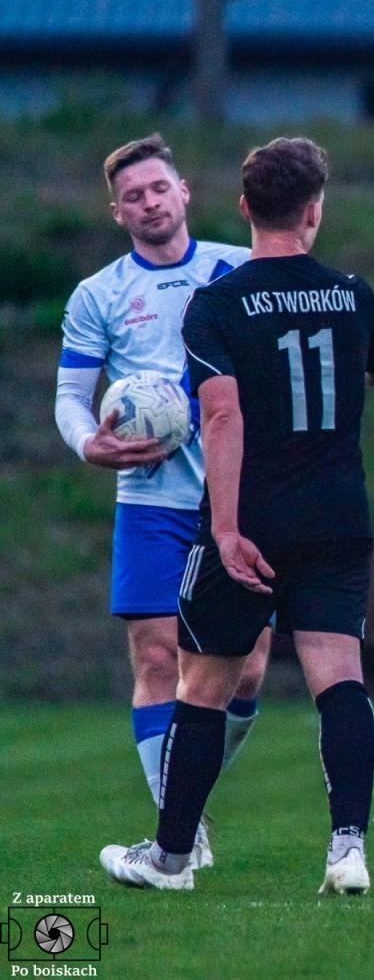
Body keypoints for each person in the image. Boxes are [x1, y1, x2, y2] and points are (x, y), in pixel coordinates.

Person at [100, 137, 374, 893]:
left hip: (255, 518)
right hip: (338, 513)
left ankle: (169, 859)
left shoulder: (219, 302)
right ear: (314, 210)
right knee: (340, 676)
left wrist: (227, 529)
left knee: (202, 683)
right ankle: (347, 848)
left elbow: (223, 415)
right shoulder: (353, 292)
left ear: (243, 208)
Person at [56, 134, 271, 871]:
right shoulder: (99, 294)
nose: (149, 202)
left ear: (184, 193)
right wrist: (91, 443)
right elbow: (69, 397)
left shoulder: (237, 269)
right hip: (149, 497)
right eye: (133, 196)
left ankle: (185, 800)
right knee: (155, 654)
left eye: (159, 188)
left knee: (243, 670)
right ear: (117, 212)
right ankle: (179, 824)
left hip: (240, 495)